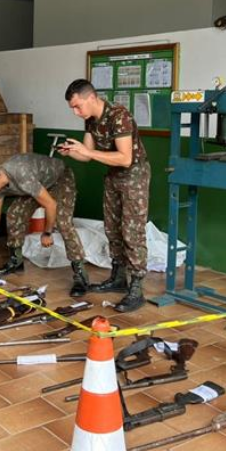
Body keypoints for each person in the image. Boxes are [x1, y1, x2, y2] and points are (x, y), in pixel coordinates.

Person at [58, 79, 151, 313]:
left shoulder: (119, 115)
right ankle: (118, 278)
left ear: (91, 98)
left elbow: (125, 158)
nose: (76, 112)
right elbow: (88, 156)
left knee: (132, 231)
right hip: (112, 175)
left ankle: (137, 288)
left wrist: (87, 150)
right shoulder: (91, 119)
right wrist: (73, 152)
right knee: (112, 228)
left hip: (134, 175)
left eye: (78, 106)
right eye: (72, 108)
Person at [0, 153, 90, 296]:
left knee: (63, 223)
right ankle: (16, 261)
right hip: (39, 184)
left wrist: (47, 233)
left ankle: (81, 276)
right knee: (15, 213)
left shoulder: (21, 174)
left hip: (60, 179)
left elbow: (51, 205)